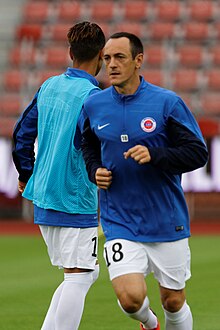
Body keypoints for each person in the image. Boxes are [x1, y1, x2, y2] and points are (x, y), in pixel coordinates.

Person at [80, 32, 208, 330]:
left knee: (173, 301)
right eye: (107, 58)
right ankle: (150, 325)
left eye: (120, 57)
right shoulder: (94, 105)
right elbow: (87, 144)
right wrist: (94, 169)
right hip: (119, 218)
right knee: (130, 299)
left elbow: (197, 153)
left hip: (166, 219)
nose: (111, 64)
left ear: (138, 61)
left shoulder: (167, 103)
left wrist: (156, 154)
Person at [12, 21, 105, 330]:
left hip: (43, 195)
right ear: (102, 56)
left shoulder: (49, 85)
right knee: (80, 277)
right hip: (74, 197)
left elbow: (22, 135)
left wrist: (27, 173)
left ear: (70, 52)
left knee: (82, 274)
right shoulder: (94, 97)